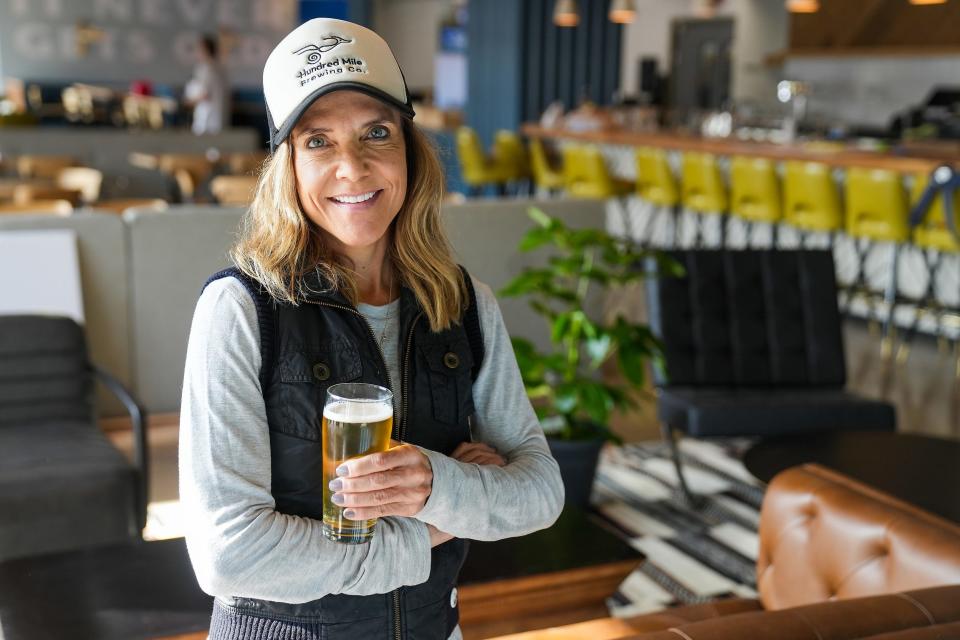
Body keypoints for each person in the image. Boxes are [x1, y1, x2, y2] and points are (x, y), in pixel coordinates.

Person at [179, 18, 564, 640]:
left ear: (410, 148)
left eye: (376, 133)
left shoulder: (463, 304)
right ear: (289, 166)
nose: (352, 168)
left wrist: (435, 482)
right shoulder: (242, 310)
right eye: (319, 142)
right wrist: (433, 527)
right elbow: (228, 554)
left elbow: (540, 492)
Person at [184, 34, 228, 135]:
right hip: (214, 118)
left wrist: (189, 103)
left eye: (199, 49)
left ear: (205, 50)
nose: (197, 52)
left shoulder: (208, 69)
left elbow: (205, 94)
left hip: (208, 119)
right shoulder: (219, 67)